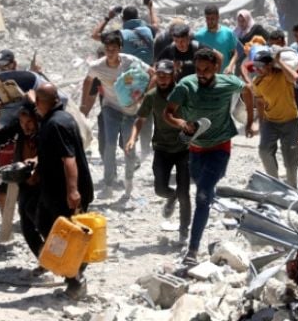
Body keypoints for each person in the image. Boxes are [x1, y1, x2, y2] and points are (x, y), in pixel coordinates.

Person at [163, 48, 255, 266]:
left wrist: (250, 121)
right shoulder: (186, 85)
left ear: (216, 67)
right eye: (198, 69)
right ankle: (178, 195)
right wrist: (181, 123)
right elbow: (168, 113)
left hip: (220, 147)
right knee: (201, 186)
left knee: (203, 196)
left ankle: (192, 250)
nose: (202, 74)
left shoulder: (227, 83)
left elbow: (247, 90)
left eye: (206, 69)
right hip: (196, 148)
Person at [35, 82, 94, 299]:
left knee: (66, 235)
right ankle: (70, 269)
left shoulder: (56, 124)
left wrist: (73, 191)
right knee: (43, 223)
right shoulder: (60, 118)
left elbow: (69, 159)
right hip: (53, 190)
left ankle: (76, 278)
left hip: (64, 192)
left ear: (41, 102)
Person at [127, 61, 190, 246]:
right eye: (159, 75)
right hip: (162, 147)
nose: (162, 79)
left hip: (184, 148)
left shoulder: (184, 92)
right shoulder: (151, 96)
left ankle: (184, 231)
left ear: (173, 75)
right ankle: (171, 196)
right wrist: (132, 138)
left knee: (184, 193)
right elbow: (140, 119)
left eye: (166, 75)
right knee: (160, 189)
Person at [79, 30, 149, 194]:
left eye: (114, 49)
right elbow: (87, 81)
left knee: (129, 146)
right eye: (107, 49)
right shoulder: (97, 66)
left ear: (120, 48)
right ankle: (108, 184)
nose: (110, 53)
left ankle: (129, 179)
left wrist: (143, 95)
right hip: (110, 108)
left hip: (130, 110)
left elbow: (151, 73)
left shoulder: (130, 61)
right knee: (109, 145)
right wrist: (83, 105)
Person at [0, 100, 45, 266]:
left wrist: (36, 161)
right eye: (22, 123)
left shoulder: (47, 130)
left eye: (29, 122)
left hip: (45, 183)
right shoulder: (18, 128)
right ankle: (44, 260)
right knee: (27, 225)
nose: (26, 127)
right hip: (25, 182)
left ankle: (62, 261)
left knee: (43, 223)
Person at [247, 49, 298, 188]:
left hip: (290, 121)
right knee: (264, 151)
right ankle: (275, 185)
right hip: (270, 122)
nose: (257, 69)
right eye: (255, 66)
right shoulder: (257, 82)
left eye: (260, 66)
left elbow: (294, 77)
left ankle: (292, 188)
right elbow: (260, 102)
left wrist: (279, 61)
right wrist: (260, 123)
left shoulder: (282, 75)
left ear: (269, 65)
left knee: (291, 160)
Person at [93, 5, 158, 65]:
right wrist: (150, 7)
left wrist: (108, 18)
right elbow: (155, 24)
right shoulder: (148, 30)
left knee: (102, 49)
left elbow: (95, 36)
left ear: (122, 19)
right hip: (149, 68)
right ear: (137, 17)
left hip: (130, 70)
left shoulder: (120, 35)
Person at [194, 6, 239, 73]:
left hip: (225, 75)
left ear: (218, 17)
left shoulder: (228, 33)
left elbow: (235, 53)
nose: (209, 21)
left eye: (212, 19)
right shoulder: (198, 36)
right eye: (207, 18)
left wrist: (230, 66)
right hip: (206, 76)